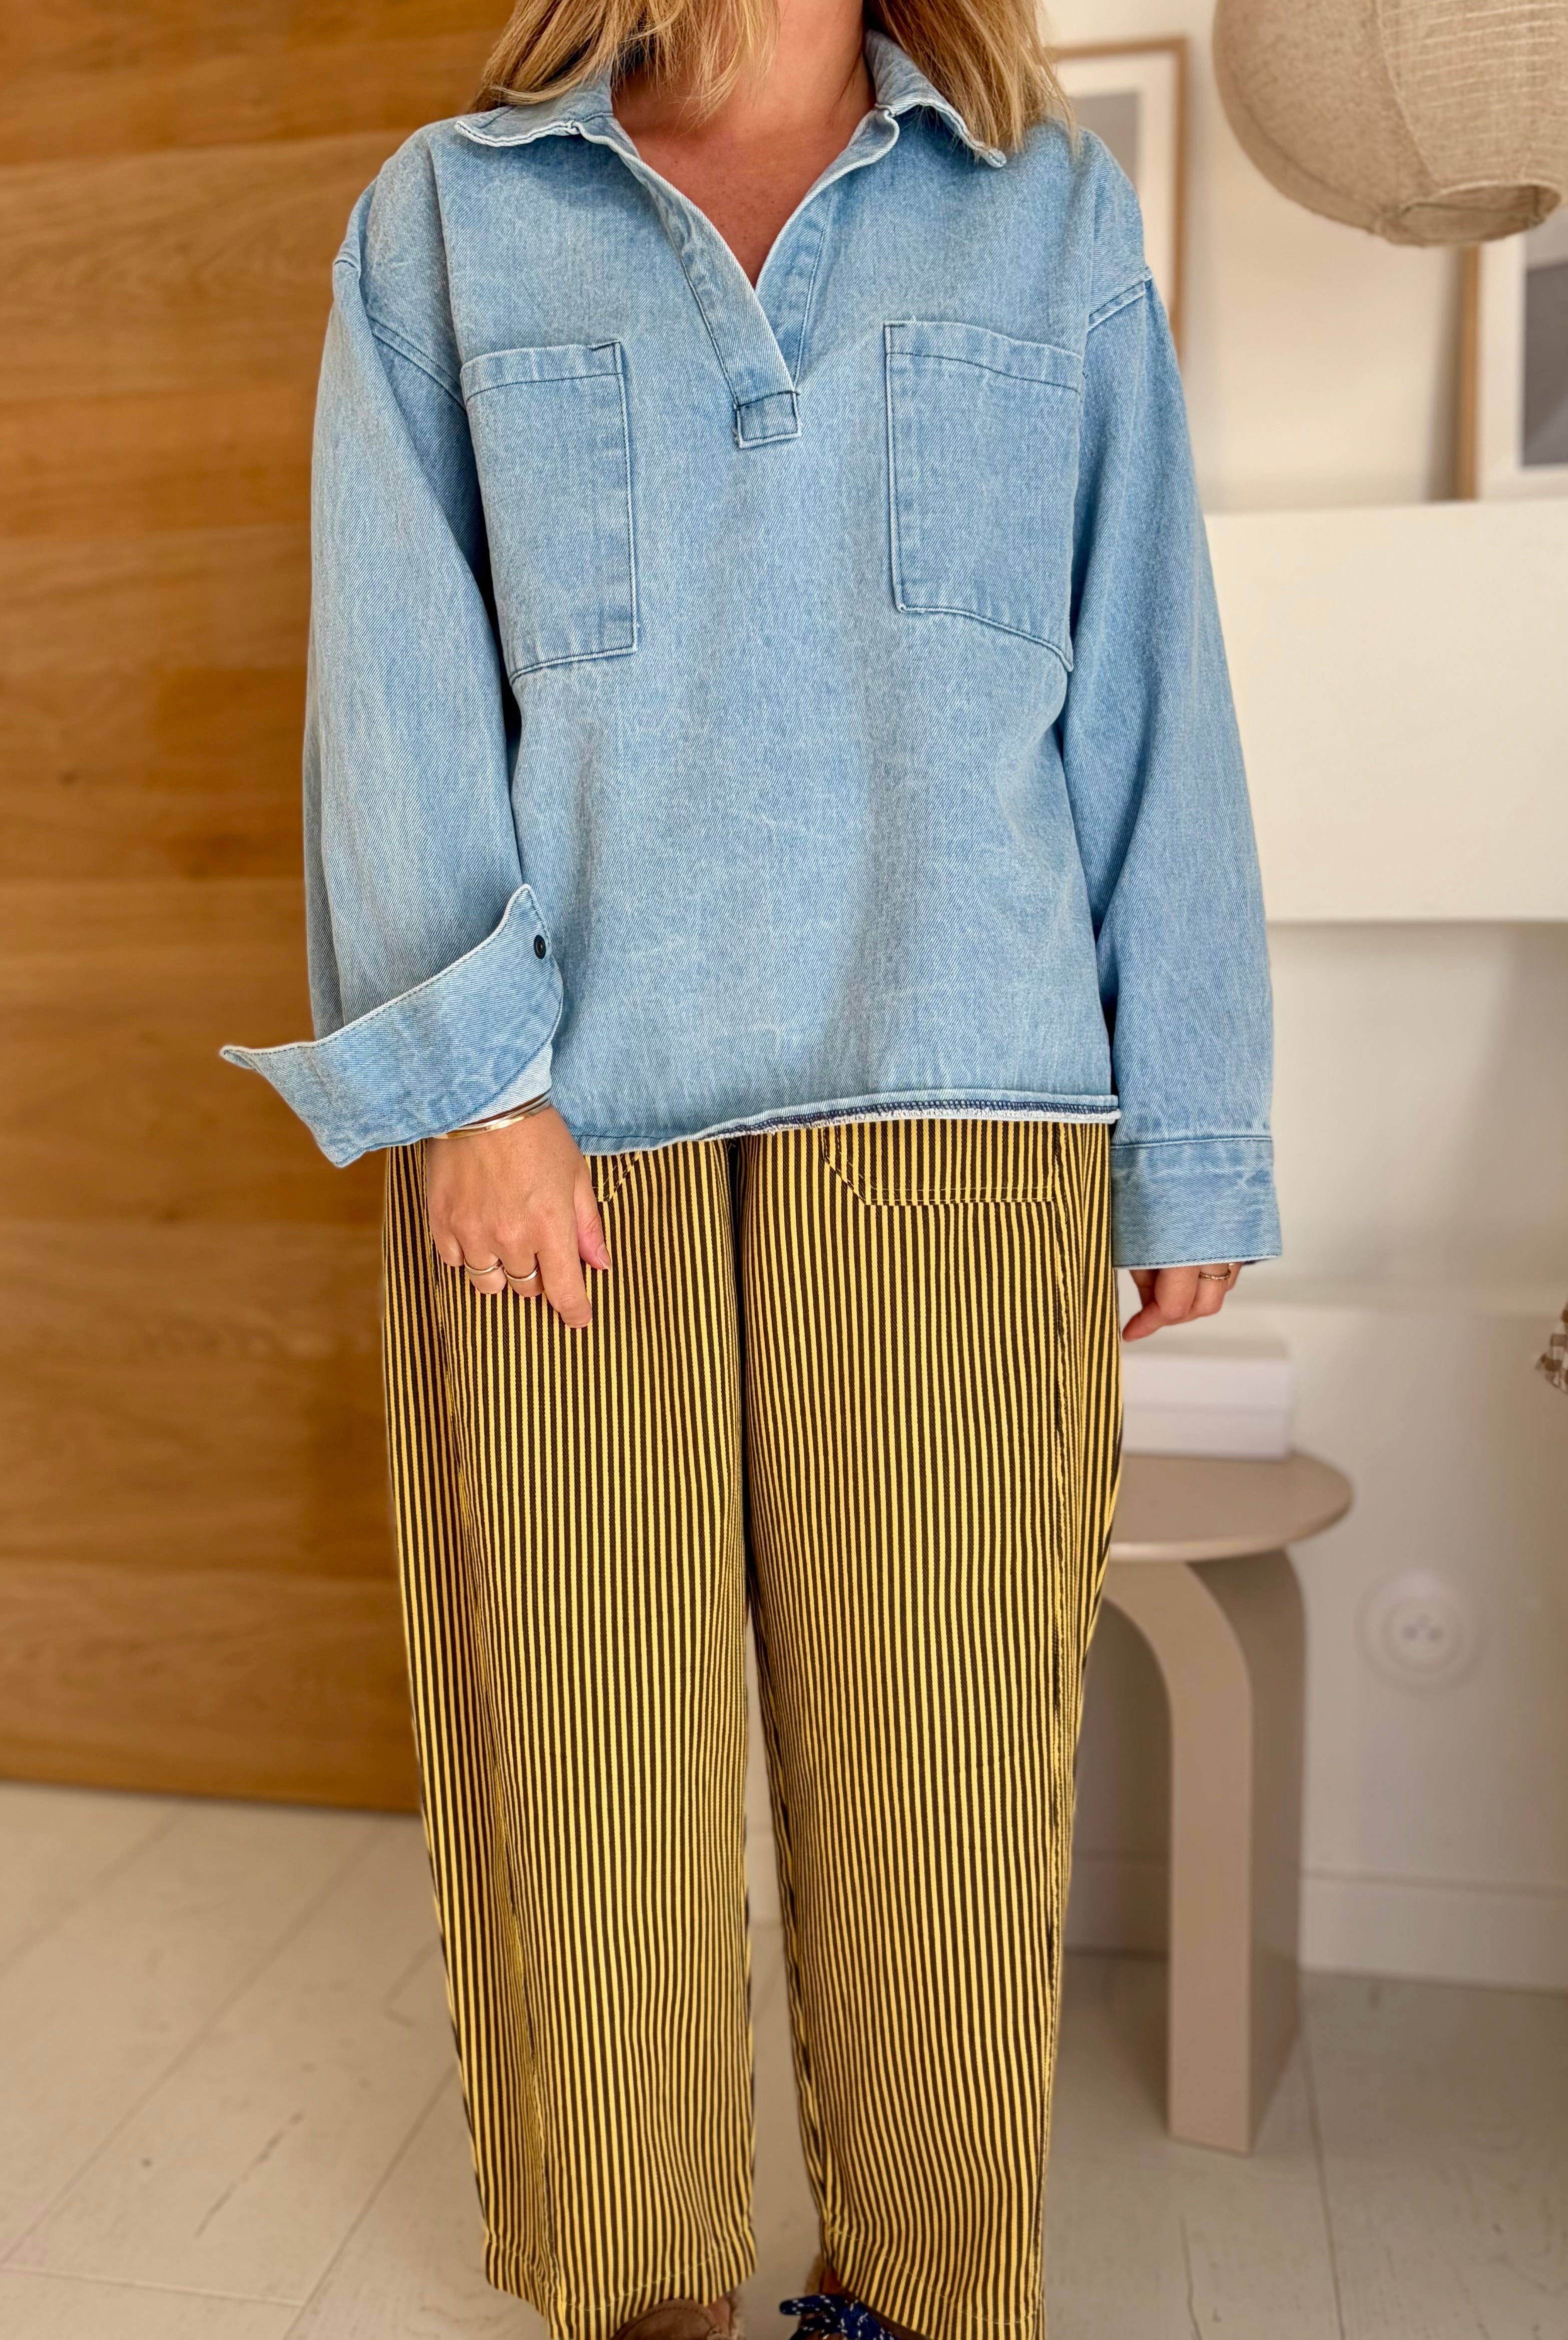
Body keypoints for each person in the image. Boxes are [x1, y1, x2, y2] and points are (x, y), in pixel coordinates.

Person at [224, 5, 1280, 2338]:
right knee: (576, 1772)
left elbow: (1149, 681)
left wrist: (1192, 1131)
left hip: (966, 1097)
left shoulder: (1044, 214)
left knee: (942, 1783)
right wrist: (471, 1085)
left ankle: (917, 2296)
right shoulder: (450, 220)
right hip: (556, 1129)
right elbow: (392, 671)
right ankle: (639, 2298)